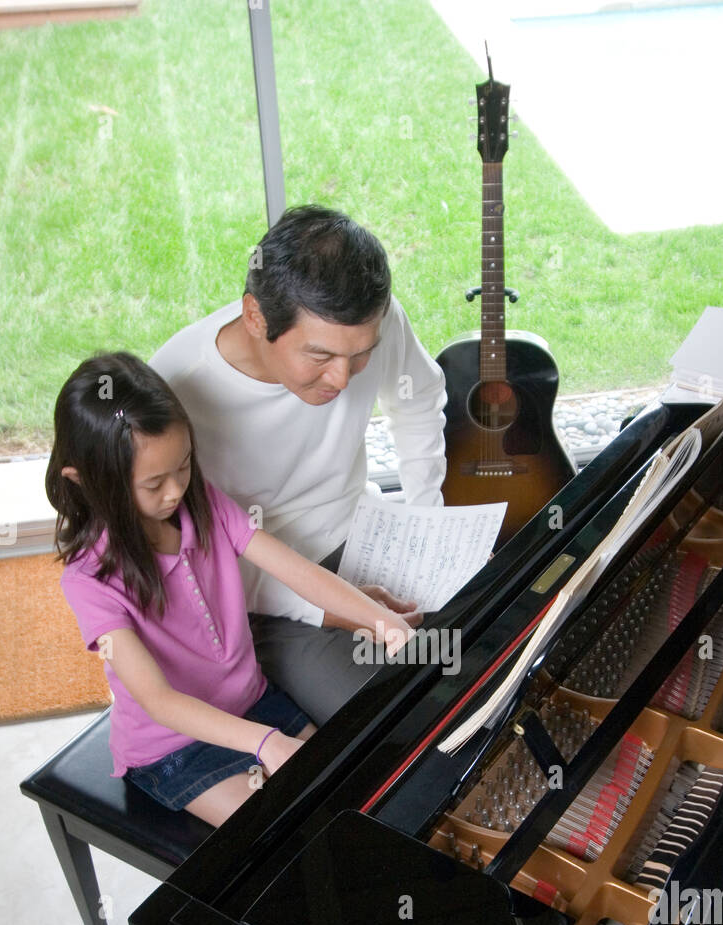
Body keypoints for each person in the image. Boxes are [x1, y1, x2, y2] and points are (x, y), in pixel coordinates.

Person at [46, 353, 412, 829]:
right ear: (85, 480)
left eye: (183, 466)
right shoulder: (88, 581)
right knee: (288, 833)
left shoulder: (203, 502)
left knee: (346, 795)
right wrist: (265, 743)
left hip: (253, 703)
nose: (176, 491)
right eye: (154, 483)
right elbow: (158, 701)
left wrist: (382, 621)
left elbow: (296, 571)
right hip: (173, 748)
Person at [149, 205, 446, 725]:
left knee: (491, 641)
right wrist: (339, 607)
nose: (342, 379)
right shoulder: (176, 391)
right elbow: (187, 563)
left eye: (360, 356)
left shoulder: (367, 324)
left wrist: (428, 523)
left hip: (366, 539)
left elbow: (418, 398)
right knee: (395, 718)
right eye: (321, 357)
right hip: (257, 593)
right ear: (256, 317)